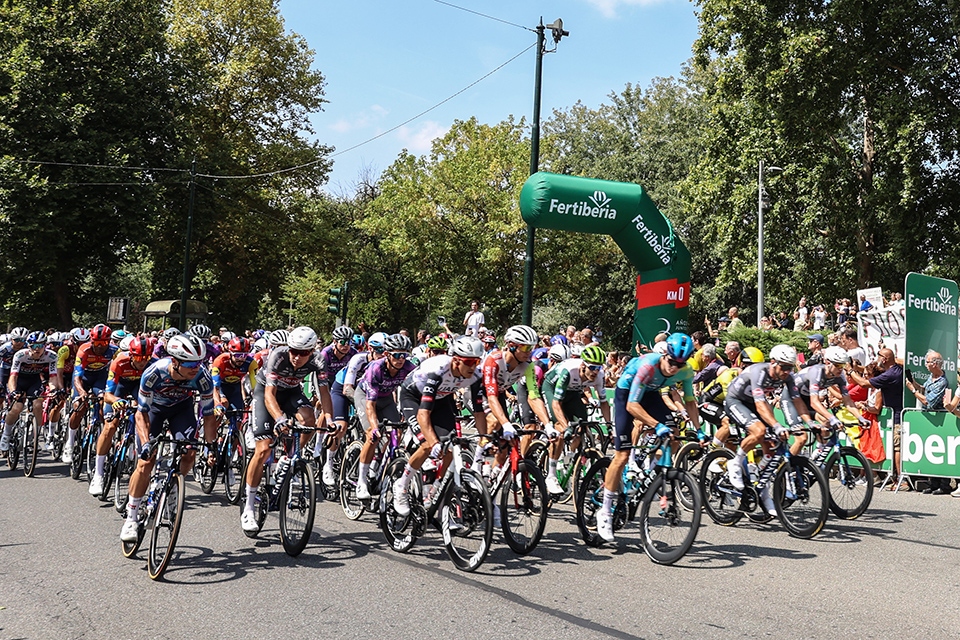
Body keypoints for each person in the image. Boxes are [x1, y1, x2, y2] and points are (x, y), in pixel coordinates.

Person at [595, 333, 700, 542]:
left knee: (673, 435)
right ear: (664, 356)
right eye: (672, 362)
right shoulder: (648, 365)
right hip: (627, 393)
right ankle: (605, 511)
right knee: (622, 455)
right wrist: (656, 425)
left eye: (680, 364)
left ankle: (650, 473)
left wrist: (699, 430)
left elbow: (690, 401)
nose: (674, 368)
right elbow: (632, 405)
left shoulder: (686, 371)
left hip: (651, 393)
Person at [120, 334, 219, 542]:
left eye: (199, 363)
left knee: (190, 453)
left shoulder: (202, 377)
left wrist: (211, 447)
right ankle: (131, 516)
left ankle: (173, 488)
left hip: (181, 410)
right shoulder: (154, 372)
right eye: (190, 364)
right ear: (174, 361)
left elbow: (209, 416)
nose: (195, 368)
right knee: (146, 462)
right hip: (154, 410)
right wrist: (146, 443)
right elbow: (141, 414)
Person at [240, 326, 331, 533]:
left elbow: (324, 392)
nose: (297, 357)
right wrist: (280, 419)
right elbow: (269, 395)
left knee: (309, 419)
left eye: (303, 353)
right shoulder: (278, 356)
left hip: (291, 392)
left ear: (312, 351)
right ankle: (249, 507)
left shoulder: (319, 360)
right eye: (294, 351)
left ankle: (288, 458)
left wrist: (329, 419)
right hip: (266, 393)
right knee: (263, 449)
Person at [392, 336, 487, 516]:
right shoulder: (438, 370)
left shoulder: (475, 375)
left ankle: (436, 488)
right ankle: (401, 485)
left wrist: (484, 439)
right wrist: (434, 442)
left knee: (452, 446)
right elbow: (423, 414)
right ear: (456, 360)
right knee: (427, 445)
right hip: (413, 397)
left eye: (477, 362)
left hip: (441, 399)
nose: (473, 367)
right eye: (469, 362)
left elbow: (478, 410)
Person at [723, 344, 807, 516]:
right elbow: (761, 405)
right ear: (773, 362)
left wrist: (807, 422)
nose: (787, 371)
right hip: (736, 401)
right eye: (784, 367)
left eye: (790, 367)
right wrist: (776, 425)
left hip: (754, 404)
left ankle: (762, 490)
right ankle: (735, 462)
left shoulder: (788, 377)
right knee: (759, 431)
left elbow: (797, 400)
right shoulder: (759, 372)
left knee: (772, 446)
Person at [89, 336, 154, 496]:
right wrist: (116, 401)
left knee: (144, 417)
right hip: (120, 387)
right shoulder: (119, 362)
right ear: (131, 355)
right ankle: (98, 474)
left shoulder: (154, 364)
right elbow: (108, 394)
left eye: (146, 358)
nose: (142, 362)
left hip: (139, 388)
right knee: (110, 426)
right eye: (138, 358)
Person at [354, 334, 416, 500]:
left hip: (386, 398)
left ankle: (377, 462)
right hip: (365, 397)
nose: (401, 359)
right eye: (397, 355)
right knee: (372, 435)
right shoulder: (376, 368)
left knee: (396, 433)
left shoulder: (409, 368)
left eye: (404, 355)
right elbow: (370, 405)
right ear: (387, 354)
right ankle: (361, 480)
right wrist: (375, 427)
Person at [847, 348, 905, 490]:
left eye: (878, 356)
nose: (876, 358)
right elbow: (870, 371)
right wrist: (857, 368)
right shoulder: (895, 369)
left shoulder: (890, 374)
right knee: (892, 447)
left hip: (896, 416)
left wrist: (850, 371)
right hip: (892, 416)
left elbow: (864, 383)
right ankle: (894, 478)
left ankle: (901, 480)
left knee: (897, 448)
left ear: (884, 359)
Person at [2, 331, 62, 455]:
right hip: (19, 381)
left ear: (45, 346)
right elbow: (13, 376)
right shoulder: (20, 355)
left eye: (40, 345)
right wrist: (13, 391)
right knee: (17, 407)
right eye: (34, 346)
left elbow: (53, 377)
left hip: (34, 382)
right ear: (28, 346)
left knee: (38, 405)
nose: (37, 349)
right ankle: (6, 435)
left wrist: (53, 390)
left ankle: (35, 435)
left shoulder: (51, 356)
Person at [906, 350, 950, 494]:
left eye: (928, 362)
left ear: (935, 364)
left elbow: (928, 402)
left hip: (939, 420)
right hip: (929, 420)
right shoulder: (931, 378)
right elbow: (924, 390)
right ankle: (933, 483)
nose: (926, 364)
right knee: (931, 452)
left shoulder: (942, 382)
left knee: (941, 452)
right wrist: (914, 383)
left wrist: (913, 391)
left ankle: (944, 485)